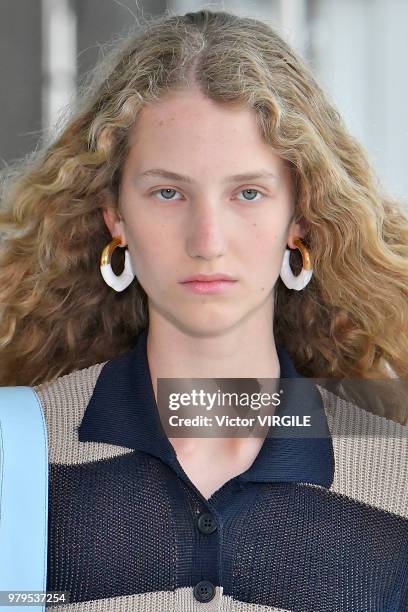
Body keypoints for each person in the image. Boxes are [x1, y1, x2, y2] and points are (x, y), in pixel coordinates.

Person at [0, 8, 407, 612]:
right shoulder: (14, 456)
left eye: (248, 192)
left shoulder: (398, 479)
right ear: (115, 215)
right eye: (168, 192)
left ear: (300, 215)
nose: (207, 239)